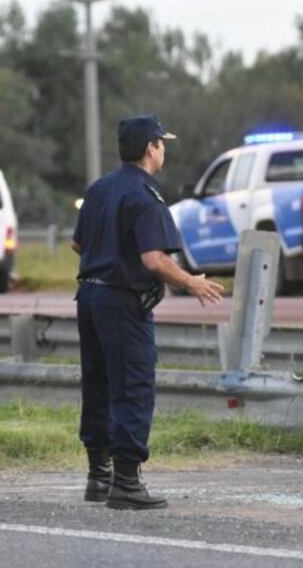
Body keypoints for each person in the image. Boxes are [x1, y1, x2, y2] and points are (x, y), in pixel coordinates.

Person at [71, 114, 225, 510]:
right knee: (133, 386)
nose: (164, 149)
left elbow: (78, 245)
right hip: (122, 301)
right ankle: (126, 483)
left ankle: (98, 476)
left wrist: (108, 252)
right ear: (150, 148)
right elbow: (154, 260)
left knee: (99, 384)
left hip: (89, 296)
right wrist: (191, 282)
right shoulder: (145, 195)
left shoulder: (100, 188)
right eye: (161, 142)